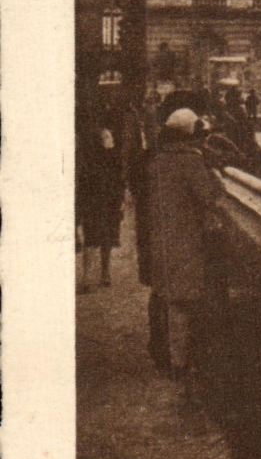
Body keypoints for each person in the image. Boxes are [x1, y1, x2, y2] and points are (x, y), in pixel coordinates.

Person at [145, 108, 231, 376]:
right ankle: (181, 363)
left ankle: (168, 357)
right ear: (189, 136)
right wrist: (214, 170)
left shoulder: (157, 162)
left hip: (160, 239)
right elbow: (213, 197)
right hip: (186, 240)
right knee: (185, 302)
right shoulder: (191, 162)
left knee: (166, 298)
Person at [77, 108, 124, 290]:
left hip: (104, 197)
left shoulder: (108, 154)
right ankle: (94, 276)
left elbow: (118, 179)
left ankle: (100, 274)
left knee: (101, 238)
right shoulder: (96, 150)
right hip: (98, 197)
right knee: (97, 237)